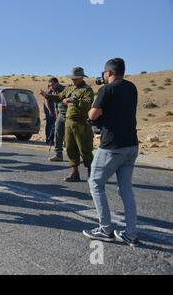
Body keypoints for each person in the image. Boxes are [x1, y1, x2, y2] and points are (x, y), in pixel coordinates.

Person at [83, 58, 140, 247]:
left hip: (112, 146)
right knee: (125, 189)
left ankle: (105, 229)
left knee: (96, 183)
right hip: (131, 145)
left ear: (108, 73)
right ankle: (130, 233)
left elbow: (93, 115)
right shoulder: (131, 87)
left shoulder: (106, 89)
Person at [41, 67, 95, 182]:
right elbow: (59, 97)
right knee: (70, 148)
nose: (73, 80)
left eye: (75, 78)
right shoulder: (69, 89)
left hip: (80, 122)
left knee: (84, 148)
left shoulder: (87, 90)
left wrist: (73, 101)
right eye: (72, 78)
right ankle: (74, 173)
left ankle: (92, 174)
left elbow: (87, 103)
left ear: (81, 78)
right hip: (68, 122)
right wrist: (47, 96)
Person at [48, 78, 67, 162]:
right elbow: (50, 101)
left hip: (68, 113)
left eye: (52, 84)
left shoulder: (64, 90)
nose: (51, 86)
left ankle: (81, 155)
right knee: (57, 132)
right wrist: (52, 113)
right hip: (60, 114)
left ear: (57, 83)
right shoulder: (52, 91)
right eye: (50, 85)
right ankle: (58, 154)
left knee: (73, 135)